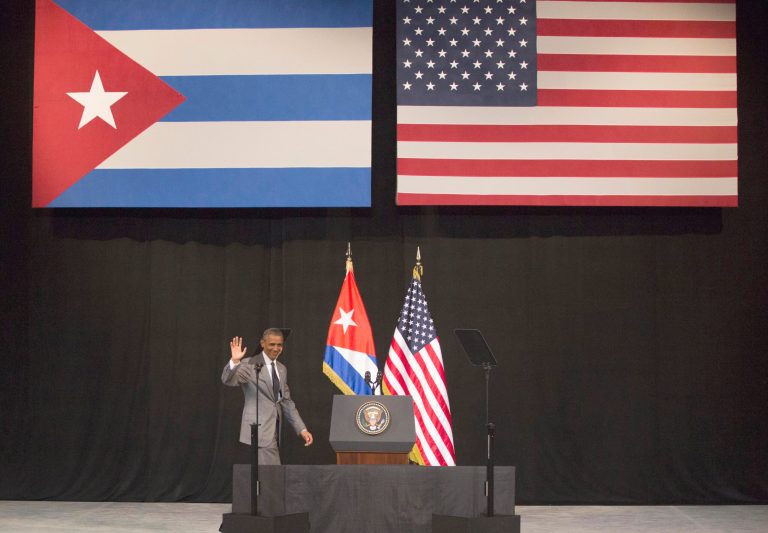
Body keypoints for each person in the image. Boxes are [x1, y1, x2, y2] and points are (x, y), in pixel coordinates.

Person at [221, 328, 313, 465]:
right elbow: (228, 380)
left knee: (267, 476)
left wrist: (302, 429)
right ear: (262, 343)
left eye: (279, 345)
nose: (276, 348)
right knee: (271, 475)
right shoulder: (250, 363)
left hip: (274, 429)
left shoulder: (282, 369)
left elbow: (286, 401)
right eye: (272, 344)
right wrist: (234, 362)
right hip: (258, 429)